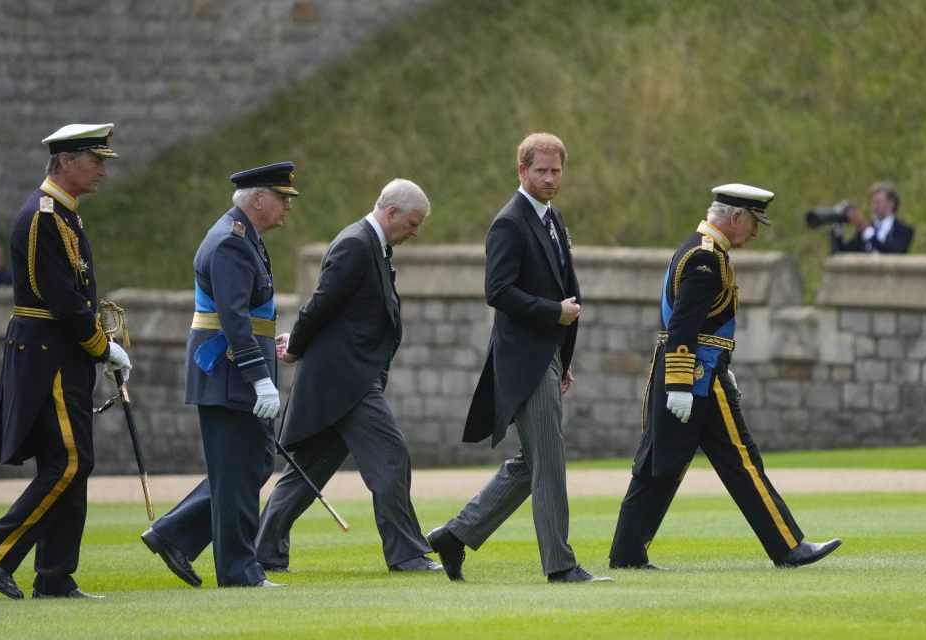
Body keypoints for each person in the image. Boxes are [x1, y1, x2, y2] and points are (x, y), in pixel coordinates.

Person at [610, 184, 842, 570]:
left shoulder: (703, 249)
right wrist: (683, 384)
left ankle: (628, 554)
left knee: (661, 464)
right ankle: (789, 547)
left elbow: (701, 325)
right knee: (739, 463)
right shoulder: (706, 259)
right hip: (698, 379)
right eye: (753, 223)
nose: (755, 232)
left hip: (697, 374)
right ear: (735, 218)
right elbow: (683, 327)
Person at [426, 132, 610, 584]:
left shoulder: (552, 218)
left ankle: (455, 535)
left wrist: (563, 356)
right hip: (523, 362)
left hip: (545, 356)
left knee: (532, 463)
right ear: (522, 171)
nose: (550, 178)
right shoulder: (509, 222)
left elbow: (561, 284)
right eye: (541, 170)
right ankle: (561, 565)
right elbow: (498, 292)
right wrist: (554, 314)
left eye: (556, 170)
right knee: (548, 462)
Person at [0, 123, 131, 599]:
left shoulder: (65, 214)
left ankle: (55, 576)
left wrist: (96, 346)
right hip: (48, 353)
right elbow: (60, 298)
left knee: (74, 462)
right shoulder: (43, 216)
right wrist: (103, 347)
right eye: (94, 160)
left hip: (63, 352)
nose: (102, 169)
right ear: (65, 162)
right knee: (69, 462)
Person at [255, 179, 439, 573]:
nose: (415, 232)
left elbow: (336, 311)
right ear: (390, 213)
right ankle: (406, 552)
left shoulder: (369, 244)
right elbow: (319, 305)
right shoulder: (356, 244)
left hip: (345, 379)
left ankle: (263, 550)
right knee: (391, 454)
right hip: (347, 382)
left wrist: (300, 341)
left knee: (307, 469)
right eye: (412, 223)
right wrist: (299, 345)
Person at [139, 163, 296, 588]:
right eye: (282, 198)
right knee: (239, 471)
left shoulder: (244, 238)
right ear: (258, 199)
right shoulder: (231, 242)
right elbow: (233, 317)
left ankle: (173, 534)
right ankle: (238, 570)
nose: (286, 207)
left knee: (253, 464)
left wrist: (268, 347)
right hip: (229, 372)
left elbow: (251, 314)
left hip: (233, 369)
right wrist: (259, 377)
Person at [830, 182, 914, 254]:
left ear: (891, 203)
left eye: (878, 202)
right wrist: (837, 230)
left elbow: (894, 251)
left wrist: (866, 230)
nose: (874, 206)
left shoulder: (904, 230)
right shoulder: (869, 227)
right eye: (872, 202)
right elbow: (844, 253)